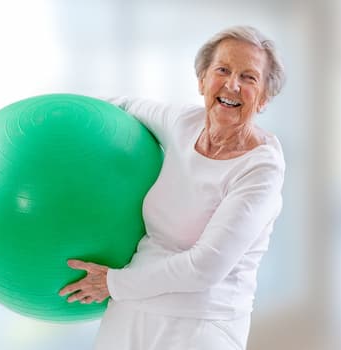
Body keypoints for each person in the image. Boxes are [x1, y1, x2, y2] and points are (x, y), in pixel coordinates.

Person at [59, 25, 286, 350]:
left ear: (263, 98)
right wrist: (55, 112)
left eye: (249, 78)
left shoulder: (261, 168)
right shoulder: (183, 124)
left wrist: (112, 282)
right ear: (202, 80)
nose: (232, 84)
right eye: (222, 70)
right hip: (131, 309)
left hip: (203, 323)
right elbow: (120, 106)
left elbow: (205, 267)